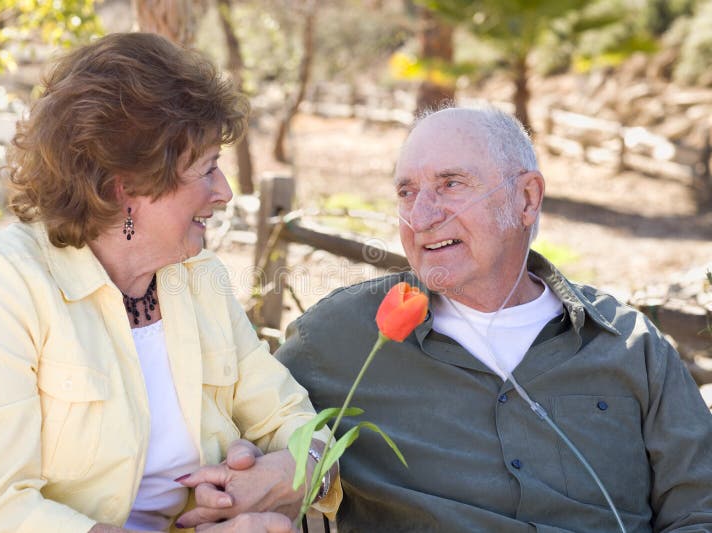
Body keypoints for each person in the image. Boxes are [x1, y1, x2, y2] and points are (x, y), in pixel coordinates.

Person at [0, 33, 338, 533]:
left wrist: (287, 472)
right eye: (207, 170)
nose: (223, 193)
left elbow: (296, 421)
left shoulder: (197, 279)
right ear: (127, 187)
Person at [273, 106, 712, 532]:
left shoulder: (630, 345)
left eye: (450, 184)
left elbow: (700, 509)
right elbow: (238, 430)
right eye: (406, 192)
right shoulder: (337, 337)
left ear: (526, 198)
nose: (421, 217)